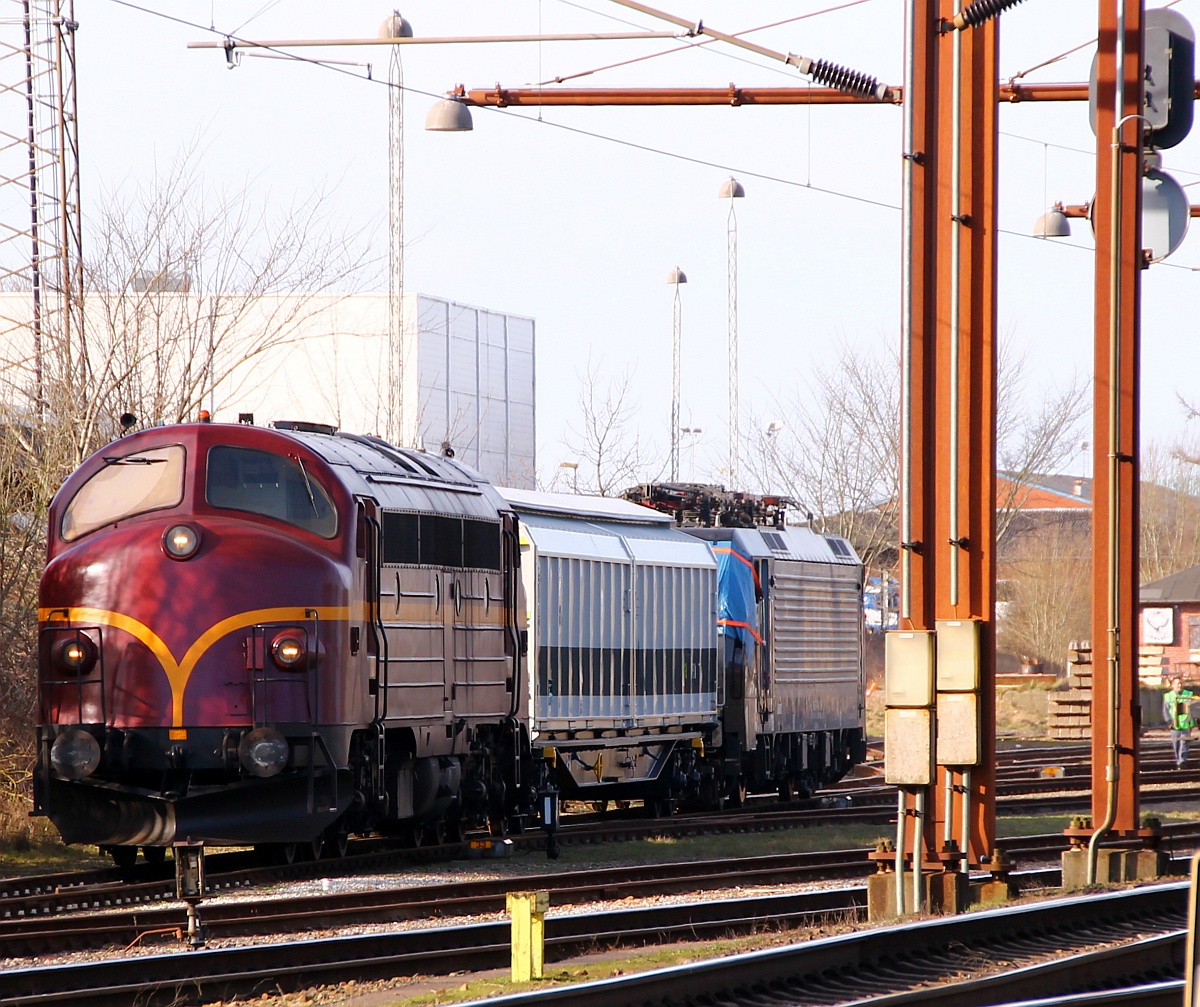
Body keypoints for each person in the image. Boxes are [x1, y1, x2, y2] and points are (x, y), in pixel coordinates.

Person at [1162, 676, 1196, 769]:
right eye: (1177, 684)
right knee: (1176, 744)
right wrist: (1169, 721)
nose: (1179, 685)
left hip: (1186, 724)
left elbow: (1194, 708)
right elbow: (1165, 710)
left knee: (1184, 743)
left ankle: (1182, 762)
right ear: (1173, 685)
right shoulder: (1168, 696)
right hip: (1174, 725)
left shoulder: (1189, 694)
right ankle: (1178, 761)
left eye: (1181, 683)